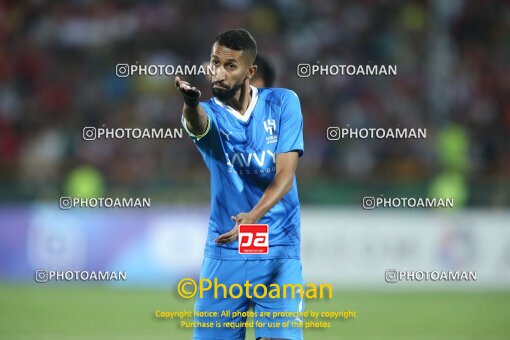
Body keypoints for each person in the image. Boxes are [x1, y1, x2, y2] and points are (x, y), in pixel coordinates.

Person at [175, 28, 304, 340]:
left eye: (230, 65)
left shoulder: (284, 103)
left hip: (277, 251)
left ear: (250, 71)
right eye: (214, 62)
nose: (218, 72)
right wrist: (191, 105)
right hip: (225, 251)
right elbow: (198, 124)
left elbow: (285, 175)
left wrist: (253, 217)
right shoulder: (207, 113)